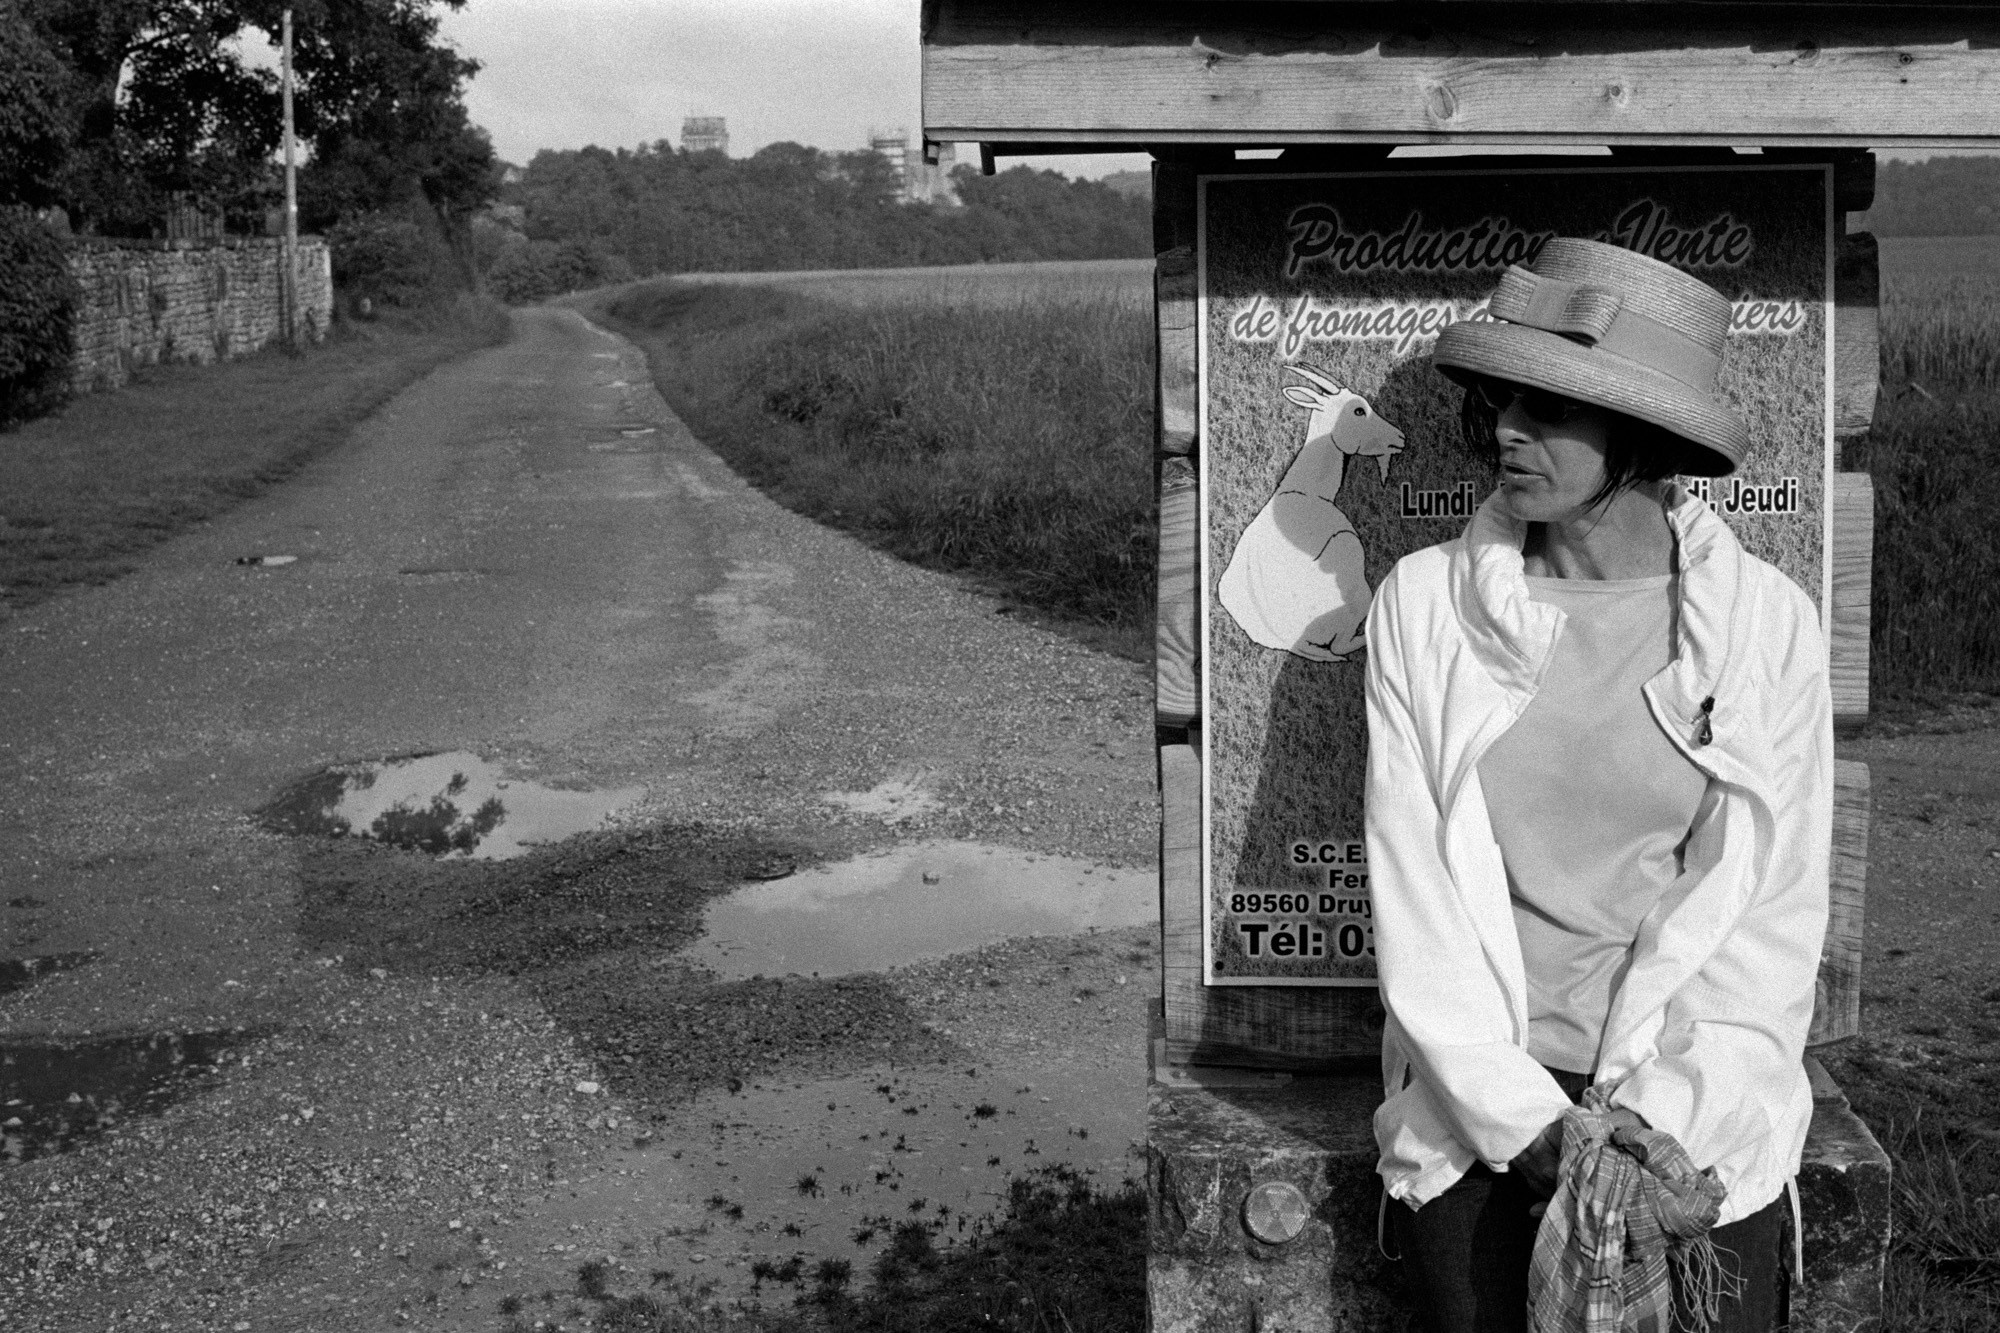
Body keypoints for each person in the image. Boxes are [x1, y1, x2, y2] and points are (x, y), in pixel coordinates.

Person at [1362, 237, 1833, 1332]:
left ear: (1642, 436)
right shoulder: (1423, 607)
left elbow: (1769, 917)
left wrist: (1649, 1123)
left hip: (1690, 1116)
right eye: (1498, 407)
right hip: (1480, 1115)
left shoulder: (1766, 627)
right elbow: (1415, 893)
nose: (1505, 436)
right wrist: (1536, 1128)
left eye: (1549, 409)